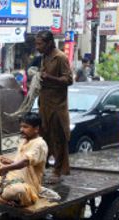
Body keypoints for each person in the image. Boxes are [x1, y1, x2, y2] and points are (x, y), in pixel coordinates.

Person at [35, 30, 73, 184]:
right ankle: (42, 167)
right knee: (43, 137)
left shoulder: (60, 57)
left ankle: (58, 170)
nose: (37, 47)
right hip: (44, 103)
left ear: (49, 42)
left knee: (58, 138)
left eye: (40, 44)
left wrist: (49, 77)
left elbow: (68, 80)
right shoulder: (44, 57)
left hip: (57, 105)